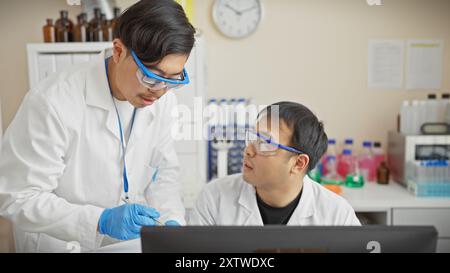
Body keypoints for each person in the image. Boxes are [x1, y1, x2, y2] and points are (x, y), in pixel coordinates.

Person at [0, 0, 195, 252]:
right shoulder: (52, 101)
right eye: (150, 76)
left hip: (125, 246)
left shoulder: (163, 102)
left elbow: (164, 174)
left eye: (172, 80)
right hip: (61, 245)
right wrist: (99, 221)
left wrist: (172, 220)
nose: (159, 92)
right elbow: (18, 196)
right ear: (118, 50)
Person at [189, 102, 361, 226]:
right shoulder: (214, 199)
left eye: (265, 142)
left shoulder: (338, 215)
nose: (248, 150)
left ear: (299, 163)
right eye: (253, 137)